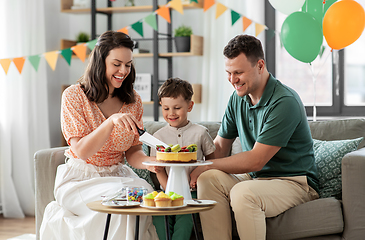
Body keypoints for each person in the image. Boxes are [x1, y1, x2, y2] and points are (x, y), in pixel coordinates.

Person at [190, 34, 319, 240]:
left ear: (260, 65)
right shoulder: (237, 98)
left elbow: (256, 160)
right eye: (229, 73)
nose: (233, 80)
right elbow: (221, 147)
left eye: (238, 72)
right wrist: (190, 165)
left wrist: (206, 165)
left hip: (295, 183)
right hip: (256, 180)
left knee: (244, 193)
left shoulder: (284, 101)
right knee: (208, 179)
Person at [40, 30, 158, 240]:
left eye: (128, 64)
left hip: (118, 176)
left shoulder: (133, 101)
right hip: (80, 179)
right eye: (117, 63)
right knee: (121, 206)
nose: (123, 70)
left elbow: (133, 151)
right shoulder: (74, 96)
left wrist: (151, 163)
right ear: (100, 61)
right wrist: (110, 122)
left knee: (145, 196)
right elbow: (82, 151)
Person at [149, 78, 216, 240]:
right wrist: (170, 192)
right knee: (159, 216)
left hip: (193, 193)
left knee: (185, 218)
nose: (171, 113)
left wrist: (198, 172)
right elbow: (159, 170)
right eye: (166, 108)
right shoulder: (158, 137)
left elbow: (212, 162)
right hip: (167, 193)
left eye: (177, 108)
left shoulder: (200, 132)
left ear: (190, 106)